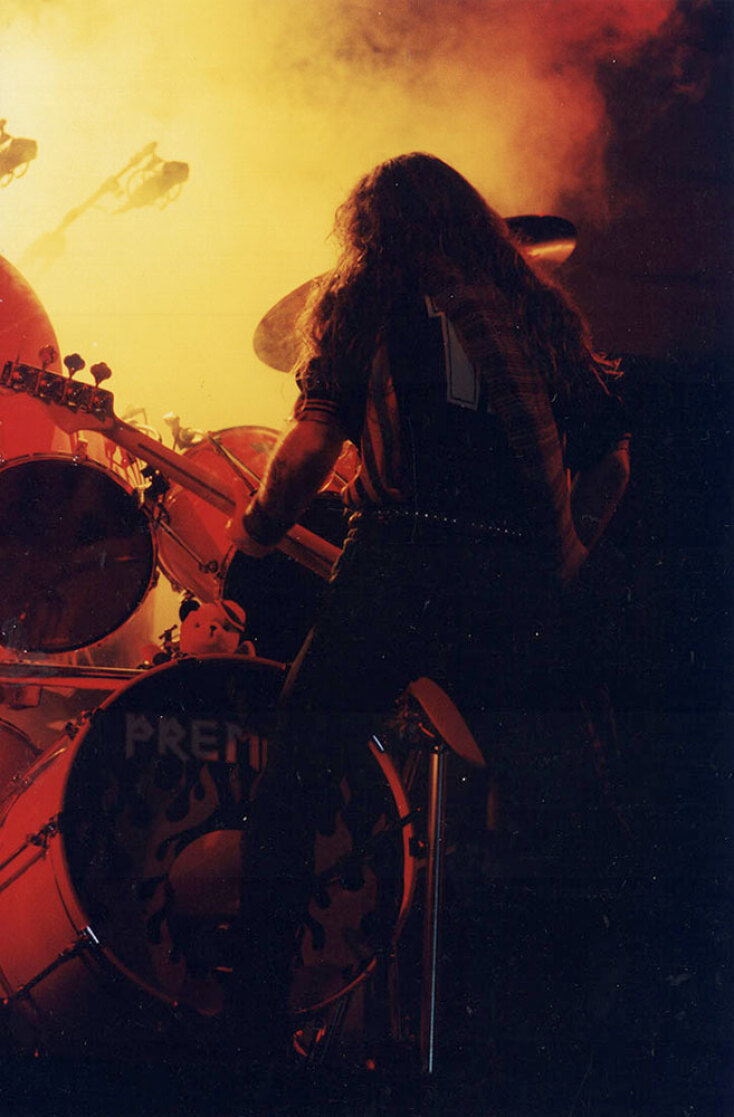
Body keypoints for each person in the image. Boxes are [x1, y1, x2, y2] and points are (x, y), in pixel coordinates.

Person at [224, 152, 630, 1065]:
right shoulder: (530, 309)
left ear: (368, 230)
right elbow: (611, 458)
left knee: (296, 776)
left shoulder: (364, 295)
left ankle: (251, 1033)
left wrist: (255, 530)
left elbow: (311, 445)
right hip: (518, 576)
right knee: (569, 806)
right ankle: (592, 1037)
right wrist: (568, 551)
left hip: (400, 560)